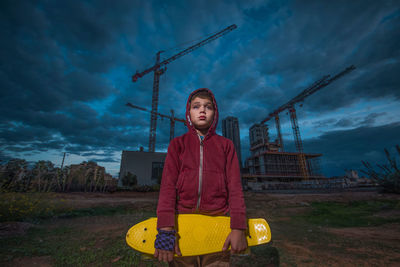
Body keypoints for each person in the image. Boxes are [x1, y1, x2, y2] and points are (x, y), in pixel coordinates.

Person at [154, 88, 247, 266]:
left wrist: (238, 227)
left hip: (217, 226)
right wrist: (166, 229)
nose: (202, 110)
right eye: (196, 106)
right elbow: (167, 188)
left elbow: (235, 188)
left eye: (208, 107)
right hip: (183, 226)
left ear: (215, 113)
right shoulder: (177, 145)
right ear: (188, 113)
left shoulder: (226, 146)